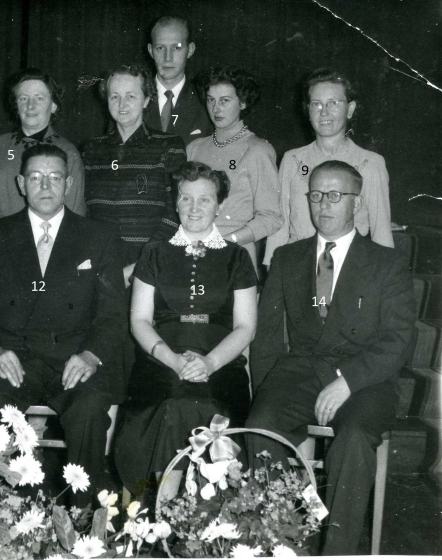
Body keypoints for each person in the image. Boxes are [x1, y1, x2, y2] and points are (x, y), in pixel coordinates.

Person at [245, 160, 415, 555]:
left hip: (365, 380)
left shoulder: (385, 263)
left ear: (356, 203)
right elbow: (267, 339)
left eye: (335, 196)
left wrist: (349, 381)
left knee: (354, 439)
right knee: (261, 426)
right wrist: (267, 391)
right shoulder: (287, 258)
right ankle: (285, 541)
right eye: (316, 195)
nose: (324, 204)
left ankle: (337, 550)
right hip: (301, 372)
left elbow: (399, 339)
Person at [0, 144, 127, 502]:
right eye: (35, 178)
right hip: (14, 358)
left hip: (72, 359)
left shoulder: (98, 237)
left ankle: (82, 518)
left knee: (88, 407)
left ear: (68, 183)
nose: (45, 186)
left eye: (54, 177)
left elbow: (113, 314)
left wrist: (90, 356)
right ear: (21, 183)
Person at [114, 162, 257, 501]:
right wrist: (174, 361)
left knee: (199, 402)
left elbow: (245, 327)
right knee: (171, 404)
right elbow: (139, 321)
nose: (194, 208)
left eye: (205, 200)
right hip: (160, 360)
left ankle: (202, 522)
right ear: (175, 202)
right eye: (186, 199)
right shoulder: (154, 253)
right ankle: (158, 515)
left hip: (220, 365)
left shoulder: (237, 258)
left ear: (219, 205)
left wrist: (208, 363)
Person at [264, 68, 393, 266]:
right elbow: (279, 227)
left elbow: (381, 232)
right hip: (296, 267)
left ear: (350, 109)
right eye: (316, 104)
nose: (324, 112)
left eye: (333, 103)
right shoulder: (292, 159)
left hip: (348, 267)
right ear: (307, 110)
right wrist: (272, 273)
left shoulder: (371, 163)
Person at [81, 65, 186, 289]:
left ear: (147, 99)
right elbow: (85, 211)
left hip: (152, 265)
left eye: (131, 96)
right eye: (114, 96)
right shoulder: (91, 149)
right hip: (100, 265)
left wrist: (140, 266)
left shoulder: (169, 146)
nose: (122, 104)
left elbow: (176, 213)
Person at [187, 66, 282, 271]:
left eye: (225, 100)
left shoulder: (257, 150)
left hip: (235, 255)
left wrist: (224, 242)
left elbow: (272, 218)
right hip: (193, 251)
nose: (216, 108)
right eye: (211, 100)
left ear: (243, 102)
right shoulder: (194, 148)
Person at [0, 68, 86, 225]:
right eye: (23, 99)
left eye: (39, 98)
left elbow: (75, 213)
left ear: (53, 106)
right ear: (16, 105)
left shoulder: (68, 152)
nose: (30, 106)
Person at [143, 16, 211, 142]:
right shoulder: (132, 99)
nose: (167, 58)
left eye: (176, 48)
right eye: (160, 48)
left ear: (190, 50)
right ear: (151, 51)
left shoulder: (205, 101)